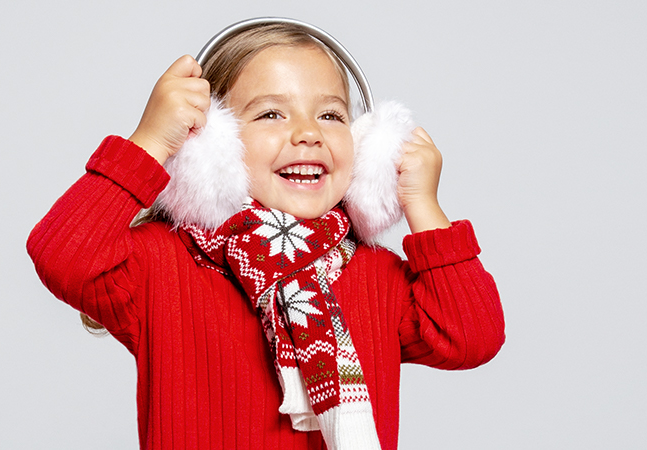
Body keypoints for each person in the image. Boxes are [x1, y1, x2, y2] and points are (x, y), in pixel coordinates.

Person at [27, 21, 505, 450]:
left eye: (331, 116)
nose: (308, 134)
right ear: (208, 146)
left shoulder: (374, 276)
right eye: (272, 114)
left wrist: (423, 205)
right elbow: (62, 255)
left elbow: (471, 337)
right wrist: (151, 142)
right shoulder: (161, 264)